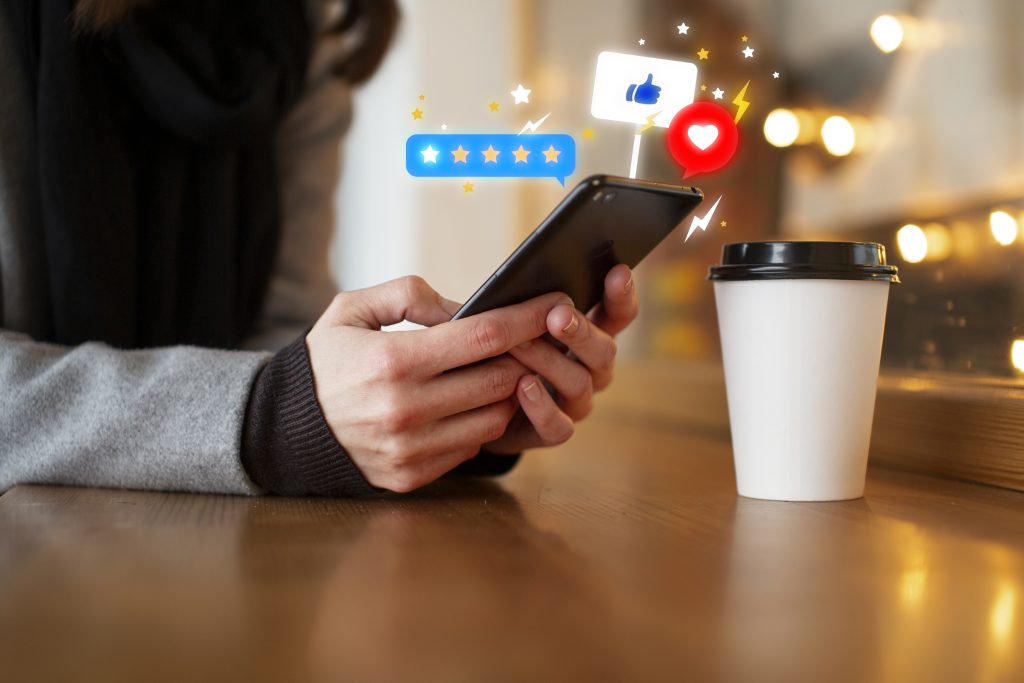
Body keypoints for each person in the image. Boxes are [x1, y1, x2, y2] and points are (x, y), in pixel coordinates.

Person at [0, 0, 638, 496]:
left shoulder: (292, 33)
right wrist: (265, 416)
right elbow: (269, 391)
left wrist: (460, 422)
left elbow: (278, 339)